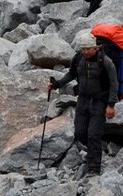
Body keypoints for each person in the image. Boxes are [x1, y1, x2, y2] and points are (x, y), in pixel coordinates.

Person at [48, 29, 118, 177]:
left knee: (93, 134)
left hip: (99, 101)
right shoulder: (78, 58)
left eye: (88, 49)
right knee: (80, 133)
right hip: (83, 100)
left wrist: (111, 105)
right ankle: (95, 150)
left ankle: (94, 167)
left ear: (95, 47)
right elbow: (71, 74)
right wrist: (57, 84)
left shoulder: (105, 61)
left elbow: (113, 83)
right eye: (83, 49)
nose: (85, 52)